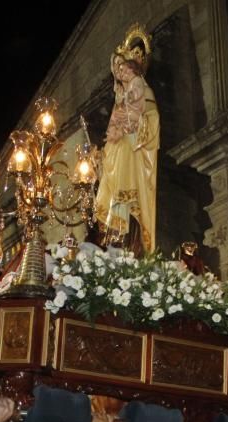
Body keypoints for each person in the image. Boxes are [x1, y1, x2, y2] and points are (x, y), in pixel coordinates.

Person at [94, 26, 159, 254]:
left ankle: (128, 239)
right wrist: (107, 144)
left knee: (125, 191)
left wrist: (123, 129)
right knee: (114, 190)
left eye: (123, 67)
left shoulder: (139, 86)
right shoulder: (122, 94)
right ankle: (116, 235)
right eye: (117, 68)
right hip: (119, 148)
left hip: (132, 147)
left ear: (133, 68)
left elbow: (144, 115)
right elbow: (117, 119)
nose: (119, 71)